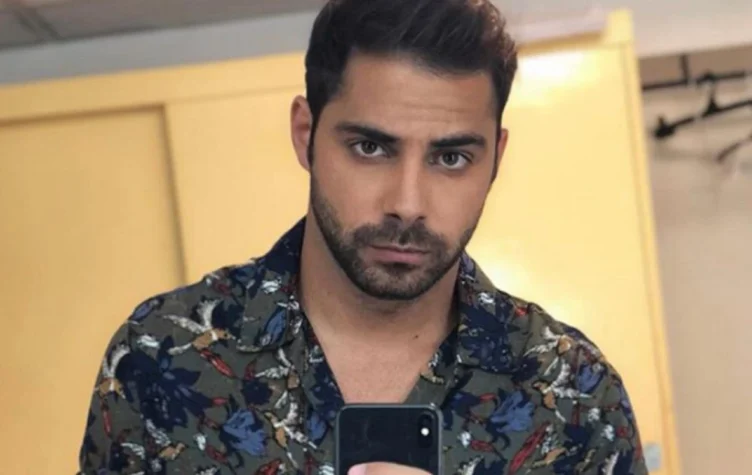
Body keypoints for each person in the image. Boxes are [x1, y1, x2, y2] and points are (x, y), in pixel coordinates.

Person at [78, 0, 647, 474]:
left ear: (495, 158)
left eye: (451, 157)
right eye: (370, 148)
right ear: (305, 134)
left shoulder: (575, 393)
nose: (407, 203)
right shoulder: (161, 354)